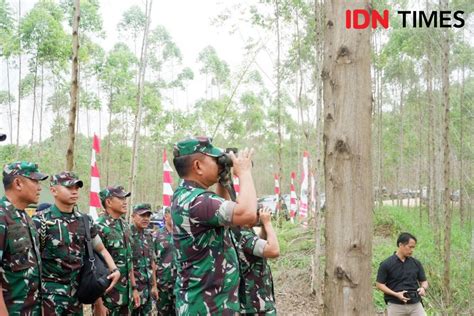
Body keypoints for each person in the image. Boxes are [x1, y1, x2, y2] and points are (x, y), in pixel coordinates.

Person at [171, 136, 258, 315]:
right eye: (214, 159)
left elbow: (225, 217)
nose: (219, 163)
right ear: (198, 166)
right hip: (207, 307)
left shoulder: (187, 196)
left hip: (207, 303)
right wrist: (244, 173)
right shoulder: (198, 201)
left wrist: (224, 180)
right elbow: (248, 214)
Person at [34, 171, 120, 315]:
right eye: (69, 187)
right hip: (48, 297)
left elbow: (101, 249)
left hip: (77, 295)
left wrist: (114, 270)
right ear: (53, 190)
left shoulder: (85, 221)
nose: (74, 191)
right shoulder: (40, 221)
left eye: (77, 187)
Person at [0, 161, 48, 315]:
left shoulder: (26, 219)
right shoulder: (2, 217)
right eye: (34, 181)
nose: (39, 187)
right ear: (18, 183)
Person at [94, 185, 140, 315]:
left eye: (125, 198)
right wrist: (99, 303)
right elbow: (94, 268)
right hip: (108, 298)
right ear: (108, 202)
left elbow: (129, 260)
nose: (125, 201)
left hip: (126, 296)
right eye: (120, 198)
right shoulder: (99, 227)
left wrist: (134, 288)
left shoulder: (125, 226)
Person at [232, 207, 279, 315]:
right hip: (255, 305)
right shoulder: (244, 235)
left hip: (254, 302)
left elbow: (258, 245)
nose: (259, 215)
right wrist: (267, 223)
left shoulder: (241, 232)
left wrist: (263, 226)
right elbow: (274, 250)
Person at [376, 232, 428, 316]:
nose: (412, 250)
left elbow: (424, 281)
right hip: (395, 305)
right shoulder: (386, 264)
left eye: (413, 248)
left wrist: (423, 288)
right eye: (410, 247)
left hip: (415, 304)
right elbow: (379, 284)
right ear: (400, 245)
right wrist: (396, 294)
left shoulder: (416, 263)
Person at [130, 203, 158, 316]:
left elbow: (152, 263)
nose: (146, 219)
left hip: (147, 290)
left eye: (148, 215)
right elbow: (128, 264)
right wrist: (133, 288)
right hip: (134, 290)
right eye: (142, 215)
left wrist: (154, 286)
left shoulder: (148, 235)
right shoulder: (127, 235)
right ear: (133, 216)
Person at [153, 207, 176, 315]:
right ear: (166, 216)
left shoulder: (182, 235)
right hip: (163, 284)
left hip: (180, 284)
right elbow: (152, 261)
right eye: (173, 214)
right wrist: (154, 285)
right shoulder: (157, 235)